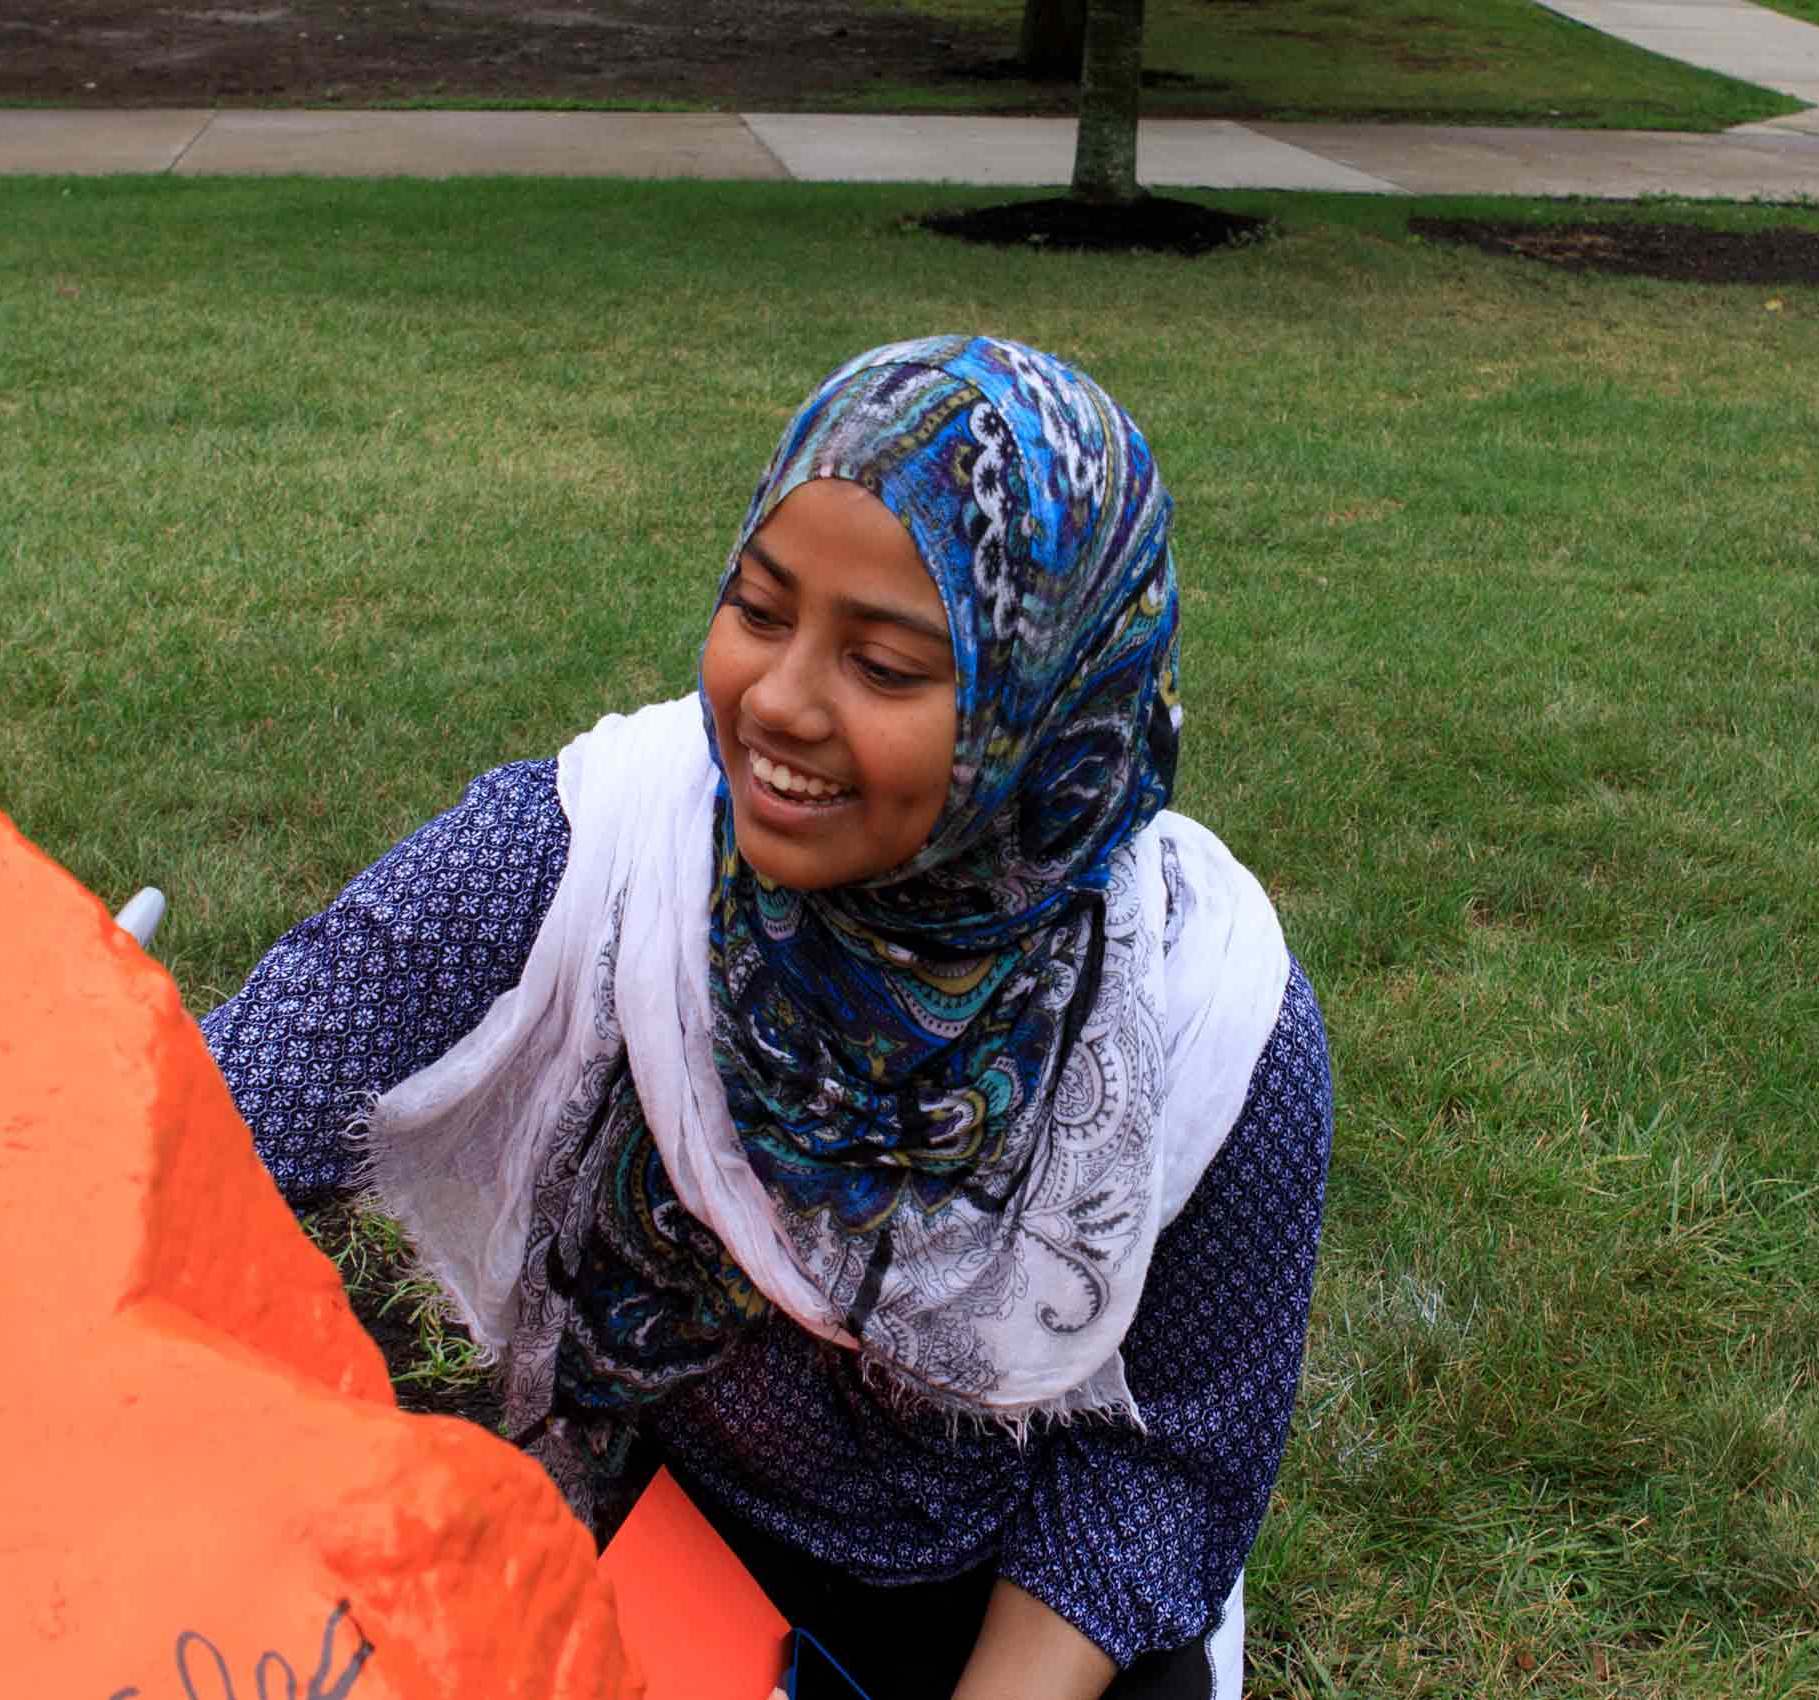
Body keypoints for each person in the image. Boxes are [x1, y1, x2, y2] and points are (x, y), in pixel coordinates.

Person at [201, 335, 1332, 1700]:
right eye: (757, 607)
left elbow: (1165, 1466)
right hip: (672, 1539)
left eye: (889, 667)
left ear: (1055, 712)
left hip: (1018, 1620)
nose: (777, 704)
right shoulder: (608, 852)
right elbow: (224, 1112)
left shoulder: (1208, 1021)